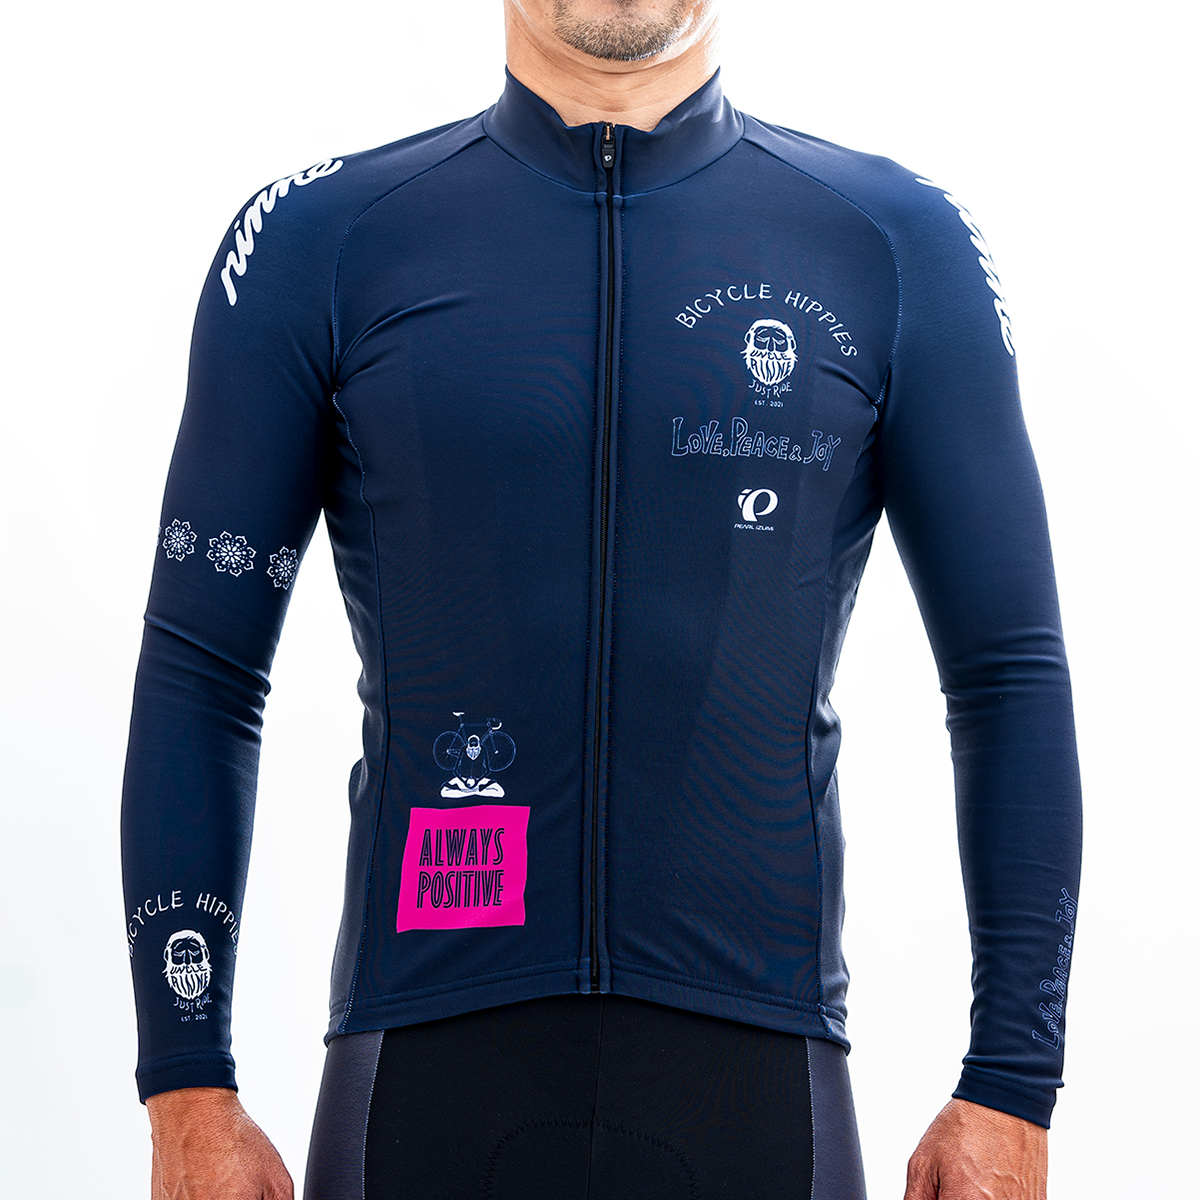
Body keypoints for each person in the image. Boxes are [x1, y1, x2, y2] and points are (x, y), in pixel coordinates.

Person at [121, 2, 1082, 1197]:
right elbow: (204, 674)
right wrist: (187, 1087)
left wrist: (1012, 1081)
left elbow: (1005, 675)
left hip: (758, 1089)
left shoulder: (890, 242)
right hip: (424, 1077)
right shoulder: (321, 241)